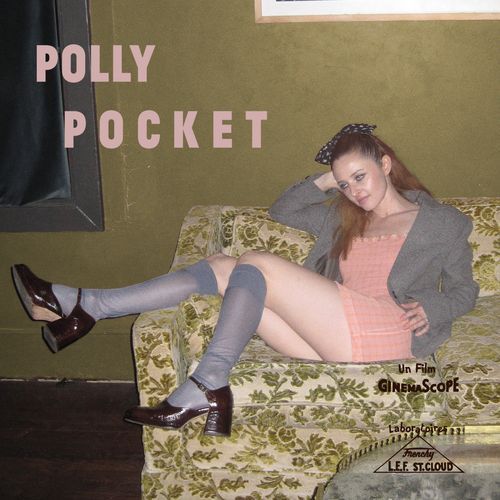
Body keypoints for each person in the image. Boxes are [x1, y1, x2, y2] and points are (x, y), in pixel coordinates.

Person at [11, 123, 479, 437]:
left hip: (387, 332)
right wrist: (326, 180)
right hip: (330, 335)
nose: (354, 191)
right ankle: (88, 304)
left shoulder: (442, 223)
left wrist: (436, 307)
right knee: (223, 268)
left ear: (386, 164)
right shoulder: (342, 217)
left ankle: (209, 380)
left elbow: (466, 289)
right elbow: (283, 209)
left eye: (361, 176)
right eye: (344, 184)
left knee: (253, 261)